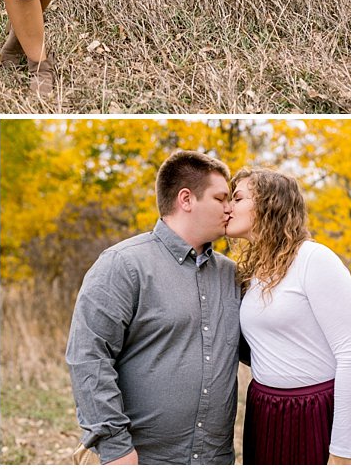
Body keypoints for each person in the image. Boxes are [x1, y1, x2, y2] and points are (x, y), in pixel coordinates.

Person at [66, 150, 240, 464]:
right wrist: (115, 447)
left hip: (216, 458)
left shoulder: (231, 275)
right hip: (143, 459)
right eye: (221, 198)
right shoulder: (123, 265)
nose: (230, 209)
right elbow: (88, 356)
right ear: (186, 199)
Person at [225, 168, 351, 465]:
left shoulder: (314, 260)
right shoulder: (253, 272)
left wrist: (341, 453)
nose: (228, 207)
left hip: (318, 413)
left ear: (267, 203)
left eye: (237, 198)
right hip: (266, 413)